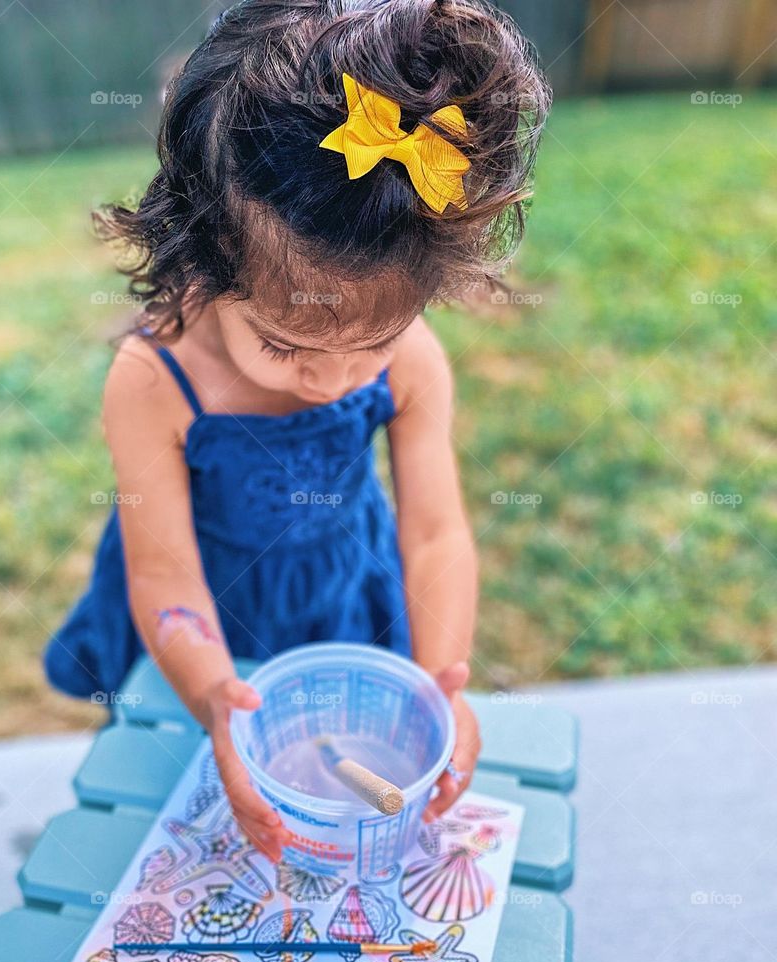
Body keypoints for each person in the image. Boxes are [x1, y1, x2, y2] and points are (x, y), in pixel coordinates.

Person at [44, 0, 550, 862]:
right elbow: (164, 577)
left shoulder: (414, 361)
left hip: (346, 599)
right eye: (284, 342)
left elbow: (436, 533)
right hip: (210, 617)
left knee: (333, 786)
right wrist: (217, 707)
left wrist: (440, 687)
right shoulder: (154, 382)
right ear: (203, 259)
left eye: (374, 343)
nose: (332, 379)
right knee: (184, 815)